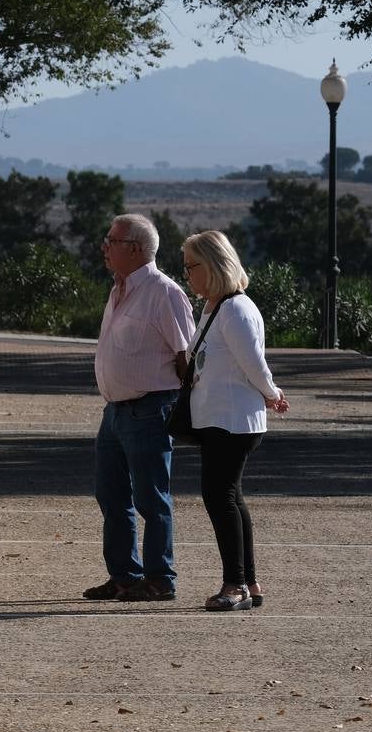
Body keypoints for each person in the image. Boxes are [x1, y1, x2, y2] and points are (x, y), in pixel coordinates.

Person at [84, 214, 196, 603]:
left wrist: (185, 408)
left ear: (134, 248)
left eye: (111, 240)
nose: (104, 247)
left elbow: (187, 357)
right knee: (111, 497)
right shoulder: (119, 289)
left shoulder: (164, 292)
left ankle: (160, 578)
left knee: (151, 498)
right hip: (115, 411)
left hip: (150, 409)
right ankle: (125, 576)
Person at [180, 231, 288, 612]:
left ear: (211, 266)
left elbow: (253, 363)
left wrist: (273, 394)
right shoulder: (215, 307)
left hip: (233, 421)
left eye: (190, 266)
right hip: (219, 419)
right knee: (230, 497)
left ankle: (235, 584)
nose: (187, 275)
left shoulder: (236, 308)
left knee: (220, 497)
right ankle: (249, 581)